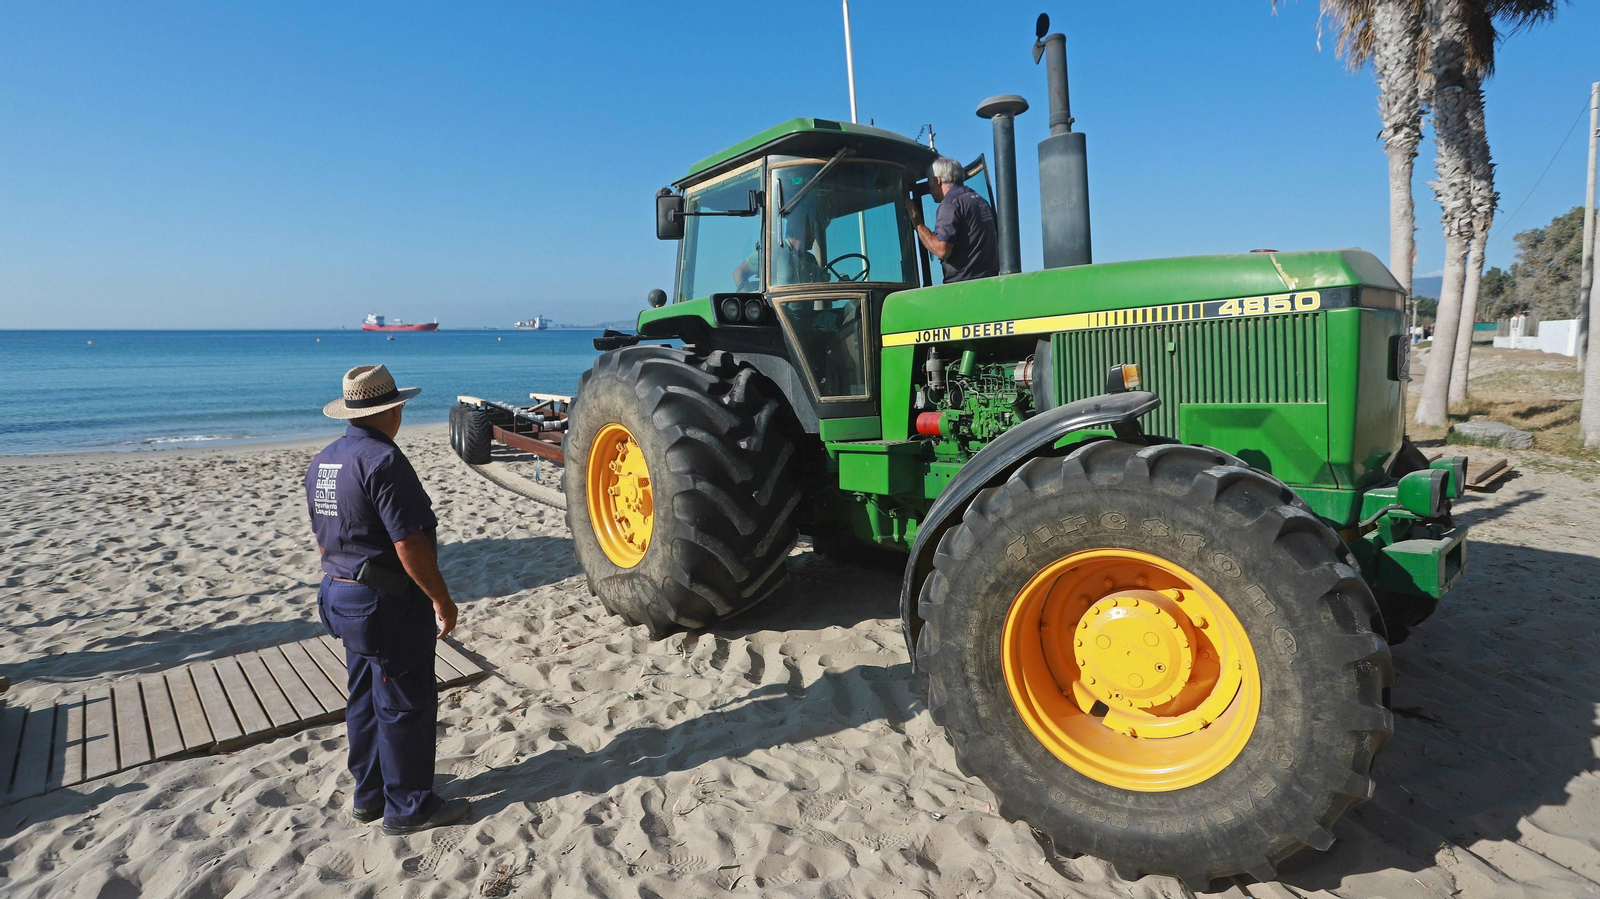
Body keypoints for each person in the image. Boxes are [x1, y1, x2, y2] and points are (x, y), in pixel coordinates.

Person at [306, 364, 469, 835]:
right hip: (384, 601)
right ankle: (409, 806)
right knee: (404, 701)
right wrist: (441, 598)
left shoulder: (325, 461)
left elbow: (322, 534)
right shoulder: (383, 460)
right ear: (392, 410)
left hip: (338, 592)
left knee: (363, 696)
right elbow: (409, 542)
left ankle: (370, 794)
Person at [907, 156, 998, 283]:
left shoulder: (950, 203)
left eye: (929, 184)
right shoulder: (980, 200)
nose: (930, 190)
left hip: (963, 285)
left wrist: (918, 224)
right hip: (989, 281)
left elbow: (942, 250)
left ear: (938, 180)